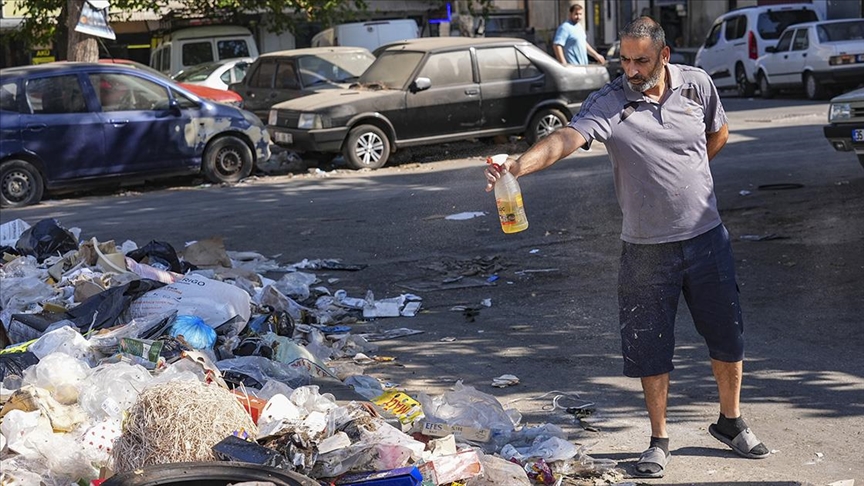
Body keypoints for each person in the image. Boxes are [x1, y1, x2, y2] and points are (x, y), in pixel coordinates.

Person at [484, 17, 769, 478]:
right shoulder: (610, 102)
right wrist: (518, 166)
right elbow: (566, 139)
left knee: (727, 336)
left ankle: (730, 421)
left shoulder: (697, 84)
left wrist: (688, 176)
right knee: (649, 348)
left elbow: (718, 133)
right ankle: (659, 439)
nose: (631, 70)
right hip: (646, 249)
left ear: (664, 56)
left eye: (641, 61)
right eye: (625, 60)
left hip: (707, 238)